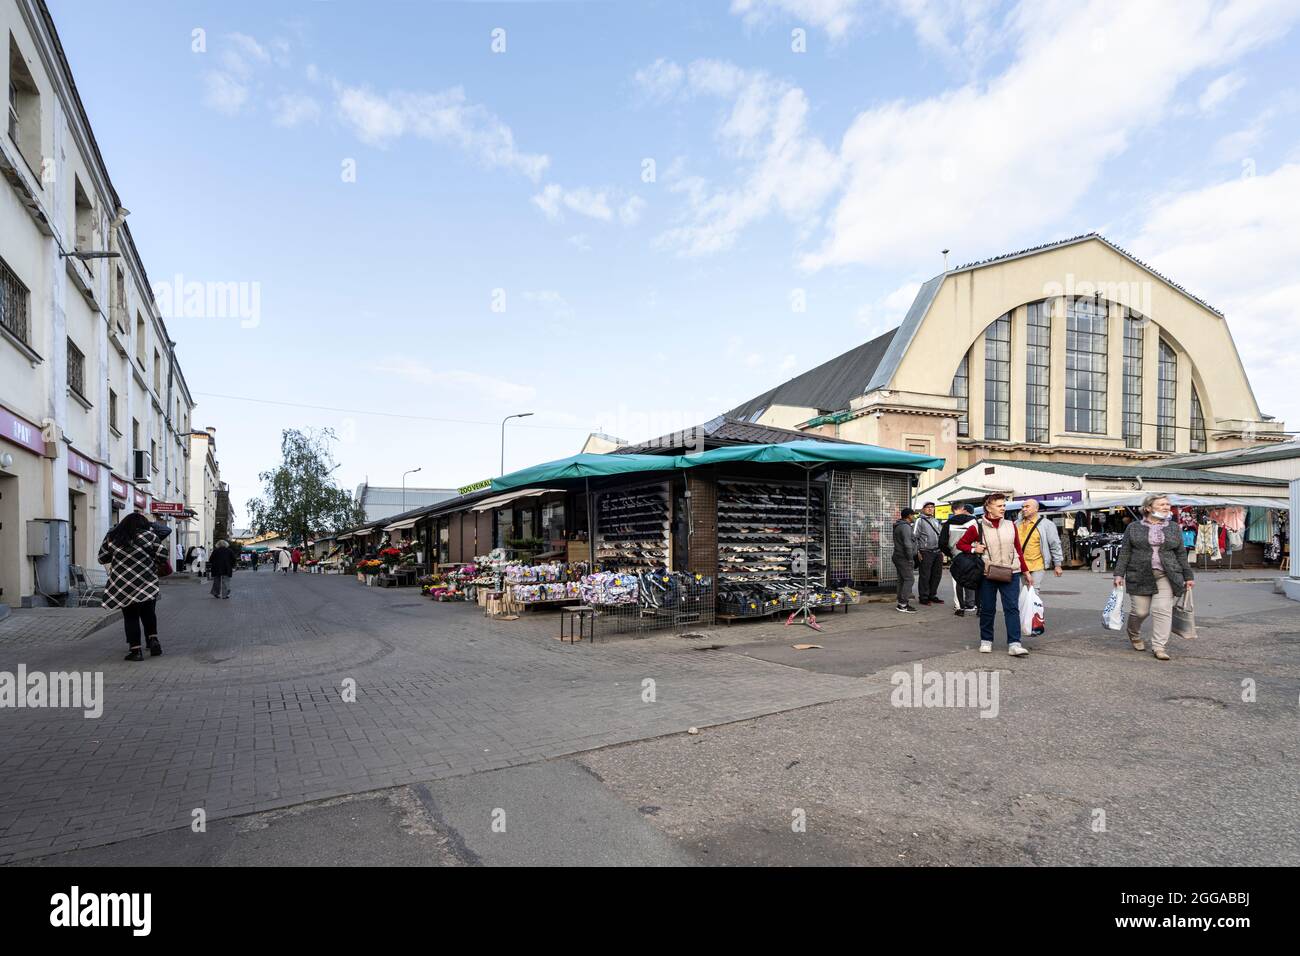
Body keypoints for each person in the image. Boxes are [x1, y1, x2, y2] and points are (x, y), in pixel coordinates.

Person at [1113, 493, 1195, 662]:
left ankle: (1159, 647)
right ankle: (1134, 633)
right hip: (1139, 573)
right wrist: (1119, 574)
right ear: (1148, 508)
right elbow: (1125, 552)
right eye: (1162, 504)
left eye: (1167, 504)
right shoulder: (1133, 528)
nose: (1166, 507)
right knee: (1140, 612)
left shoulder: (1173, 527)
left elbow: (1180, 553)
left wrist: (1188, 576)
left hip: (1167, 574)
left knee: (1162, 610)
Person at [955, 492, 1031, 656]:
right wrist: (975, 549)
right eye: (999, 505)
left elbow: (1018, 549)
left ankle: (1014, 644)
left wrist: (1025, 571)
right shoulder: (977, 526)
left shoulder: (1011, 525)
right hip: (987, 573)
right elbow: (960, 544)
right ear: (988, 507)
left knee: (1012, 608)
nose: (1003, 508)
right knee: (988, 608)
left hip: (1011, 571)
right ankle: (986, 641)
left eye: (1004, 505)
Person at [98, 511, 169, 661]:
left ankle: (135, 651)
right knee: (149, 613)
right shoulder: (150, 536)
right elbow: (163, 556)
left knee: (130, 617)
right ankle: (153, 640)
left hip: (123, 584)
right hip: (147, 581)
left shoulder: (113, 537)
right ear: (143, 524)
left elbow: (102, 558)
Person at [940, 502, 979, 615]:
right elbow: (979, 536)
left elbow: (942, 543)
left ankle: (959, 607)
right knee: (972, 579)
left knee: (957, 582)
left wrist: (950, 553)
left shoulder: (948, 523)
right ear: (963, 509)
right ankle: (973, 605)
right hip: (971, 554)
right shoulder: (973, 521)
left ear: (953, 510)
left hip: (956, 556)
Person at [1017, 498, 1065, 588]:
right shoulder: (1017, 524)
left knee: (1033, 591)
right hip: (1020, 565)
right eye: (1022, 507)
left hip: (1037, 565)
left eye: (1027, 506)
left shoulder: (1047, 524)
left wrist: (1057, 565)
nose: (1024, 509)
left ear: (1036, 509)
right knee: (1023, 593)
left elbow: (1055, 544)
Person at [913, 502, 944, 606]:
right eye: (928, 507)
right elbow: (914, 537)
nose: (930, 509)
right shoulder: (919, 520)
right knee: (925, 576)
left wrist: (942, 550)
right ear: (923, 509)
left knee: (937, 575)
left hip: (938, 552)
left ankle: (932, 595)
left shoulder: (936, 521)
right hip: (925, 551)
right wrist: (917, 551)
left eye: (932, 507)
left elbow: (941, 536)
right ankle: (924, 597)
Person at [892, 507, 919, 613]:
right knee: (909, 579)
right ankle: (903, 604)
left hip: (898, 556)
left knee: (902, 580)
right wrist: (910, 558)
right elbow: (907, 544)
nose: (914, 517)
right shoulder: (905, 527)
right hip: (904, 557)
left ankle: (901, 603)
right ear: (908, 516)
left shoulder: (899, 525)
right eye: (913, 515)